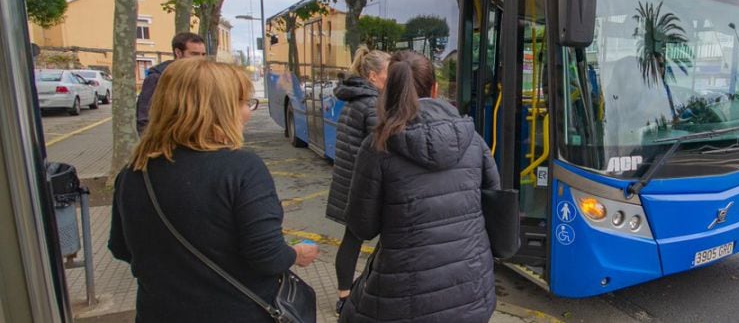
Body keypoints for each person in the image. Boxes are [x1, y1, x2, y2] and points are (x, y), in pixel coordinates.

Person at [109, 59, 317, 322]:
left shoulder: (133, 173)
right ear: (218, 110)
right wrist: (297, 254)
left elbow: (120, 248)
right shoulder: (241, 168)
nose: (248, 113)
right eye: (243, 103)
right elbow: (268, 257)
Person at [339, 50, 499, 323]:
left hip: (401, 298)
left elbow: (362, 227)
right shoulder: (474, 140)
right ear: (435, 89)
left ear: (389, 91)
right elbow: (494, 203)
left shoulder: (377, 147)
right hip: (472, 291)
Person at [325, 46, 390, 315]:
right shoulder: (372, 103)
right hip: (363, 187)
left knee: (351, 240)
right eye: (389, 73)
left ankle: (344, 294)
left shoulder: (355, 99)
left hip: (349, 182)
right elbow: (383, 147)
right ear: (373, 76)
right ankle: (357, 294)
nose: (392, 79)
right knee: (382, 240)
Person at [137, 32, 207, 134]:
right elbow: (144, 120)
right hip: (167, 144)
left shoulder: (203, 77)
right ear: (178, 53)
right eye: (194, 54)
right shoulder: (157, 78)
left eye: (203, 54)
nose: (200, 59)